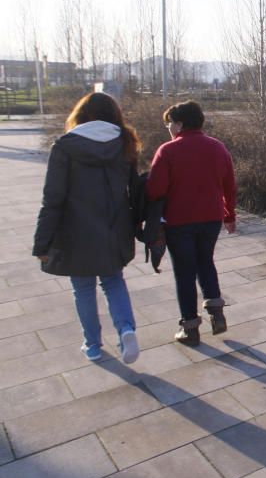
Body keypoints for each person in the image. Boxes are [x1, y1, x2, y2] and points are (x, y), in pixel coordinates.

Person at [33, 92, 141, 364]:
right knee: (113, 281)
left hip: (75, 233)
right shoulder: (124, 143)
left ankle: (92, 345)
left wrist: (42, 243)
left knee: (82, 288)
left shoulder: (65, 146)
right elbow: (135, 191)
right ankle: (126, 329)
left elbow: (53, 199)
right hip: (115, 229)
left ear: (80, 115)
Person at [146, 100, 236, 346]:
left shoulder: (167, 151)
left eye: (170, 123)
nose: (168, 128)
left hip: (179, 221)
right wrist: (229, 215)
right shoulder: (218, 148)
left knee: (184, 271)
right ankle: (217, 313)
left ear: (180, 123)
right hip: (211, 219)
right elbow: (229, 185)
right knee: (205, 261)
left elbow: (154, 190)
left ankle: (190, 328)